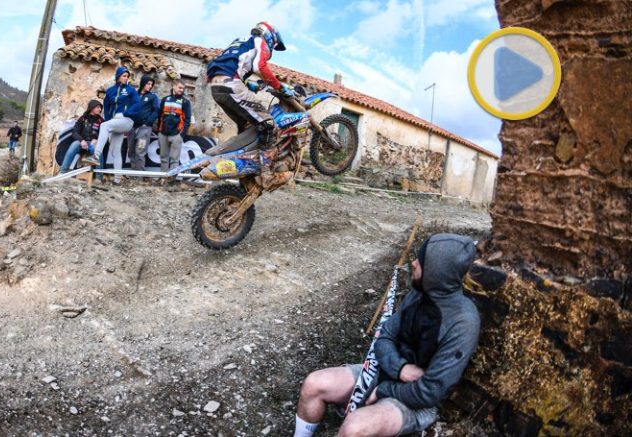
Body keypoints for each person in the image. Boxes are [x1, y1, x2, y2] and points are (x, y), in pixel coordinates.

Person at [294, 233, 481, 437]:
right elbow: (384, 338)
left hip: (416, 401)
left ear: (437, 271)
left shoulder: (463, 322)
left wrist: (384, 390)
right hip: (384, 372)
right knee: (314, 384)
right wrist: (400, 368)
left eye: (422, 260)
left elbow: (429, 392)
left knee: (354, 428)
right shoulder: (419, 293)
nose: (414, 263)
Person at [206, 21, 294, 184]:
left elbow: (227, 64)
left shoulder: (239, 41)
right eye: (274, 45)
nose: (272, 48)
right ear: (270, 37)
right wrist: (280, 87)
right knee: (269, 124)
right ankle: (266, 174)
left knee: (247, 127)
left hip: (216, 86)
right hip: (231, 85)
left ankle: (242, 167)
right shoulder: (260, 42)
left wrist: (246, 83)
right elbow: (260, 66)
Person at [94, 66, 139, 169]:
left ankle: (95, 155)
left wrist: (126, 113)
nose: (126, 78)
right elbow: (106, 107)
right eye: (124, 76)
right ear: (118, 76)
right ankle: (117, 177)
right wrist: (109, 120)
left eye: (127, 76)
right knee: (115, 151)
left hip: (126, 120)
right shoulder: (110, 91)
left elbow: (138, 104)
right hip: (115, 122)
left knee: (104, 125)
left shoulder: (131, 90)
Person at [125, 74, 160, 171]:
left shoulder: (153, 96)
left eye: (151, 84)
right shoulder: (134, 95)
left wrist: (148, 122)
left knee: (140, 151)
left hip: (144, 128)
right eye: (148, 84)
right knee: (131, 151)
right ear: (143, 83)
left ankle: (139, 175)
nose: (150, 86)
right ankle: (133, 174)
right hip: (132, 127)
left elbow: (156, 111)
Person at [60, 100, 104, 174]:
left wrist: (96, 140)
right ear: (92, 108)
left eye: (100, 108)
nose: (100, 110)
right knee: (74, 144)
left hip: (93, 144)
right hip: (82, 143)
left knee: (98, 150)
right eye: (98, 107)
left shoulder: (101, 121)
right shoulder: (83, 118)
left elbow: (104, 135)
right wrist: (82, 140)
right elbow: (74, 132)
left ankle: (99, 177)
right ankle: (62, 172)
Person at [157, 78, 191, 173]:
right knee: (163, 158)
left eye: (183, 88)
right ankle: (163, 178)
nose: (181, 90)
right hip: (163, 133)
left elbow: (187, 120)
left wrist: (181, 135)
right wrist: (159, 130)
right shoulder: (165, 99)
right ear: (174, 86)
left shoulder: (185, 102)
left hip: (176, 134)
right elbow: (160, 115)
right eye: (180, 87)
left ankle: (171, 179)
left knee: (174, 160)